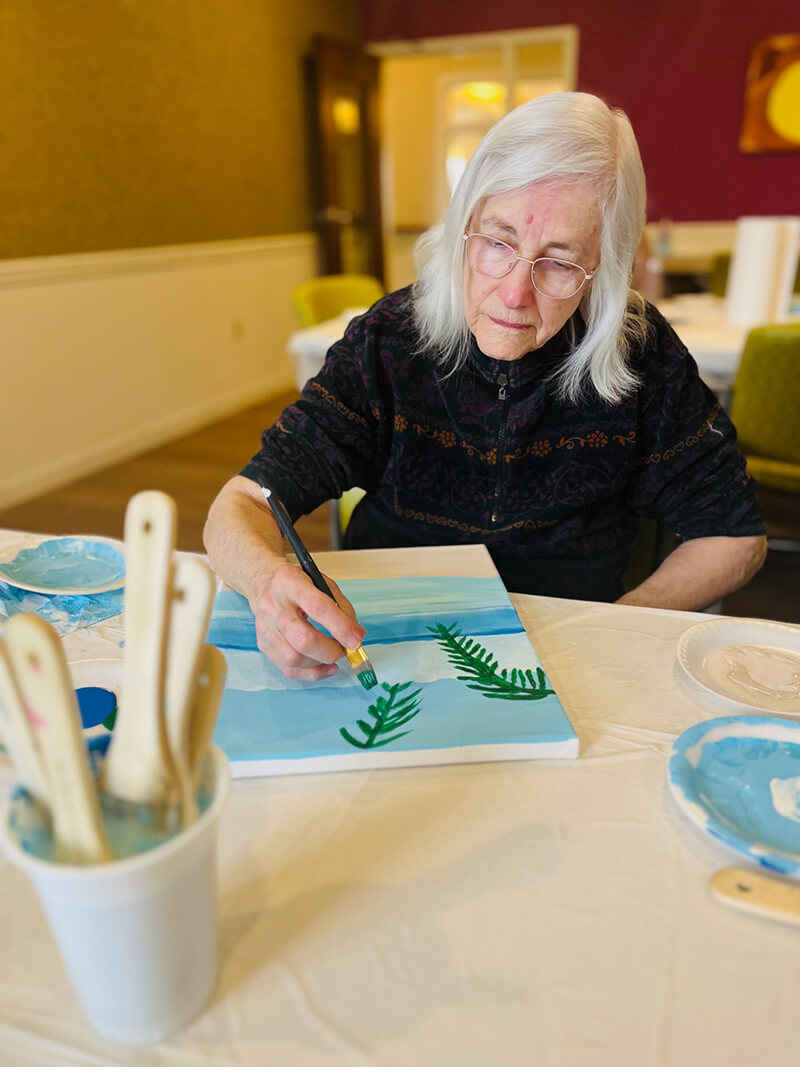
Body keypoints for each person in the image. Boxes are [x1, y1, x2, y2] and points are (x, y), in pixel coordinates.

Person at [204, 91, 766, 681]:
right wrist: (270, 583)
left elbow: (734, 535)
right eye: (498, 242)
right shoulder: (389, 339)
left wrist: (619, 624)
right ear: (464, 225)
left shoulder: (641, 354)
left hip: (571, 653)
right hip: (383, 648)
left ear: (604, 266)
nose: (515, 294)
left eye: (559, 261)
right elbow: (241, 504)